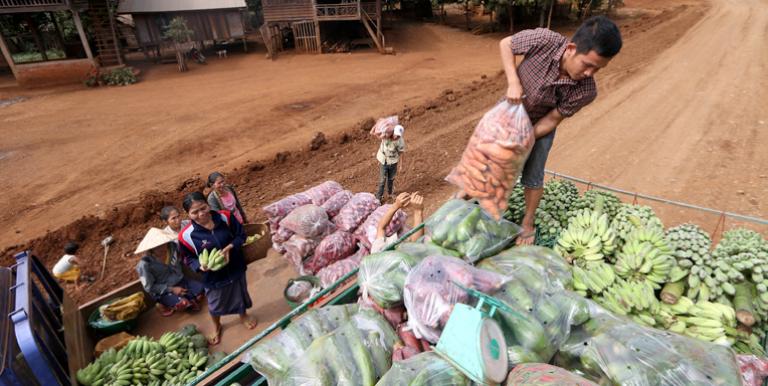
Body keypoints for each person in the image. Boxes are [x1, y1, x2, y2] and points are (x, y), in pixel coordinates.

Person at [499, 16, 622, 245]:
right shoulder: (544, 40)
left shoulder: (586, 91)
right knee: (491, 160)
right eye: (588, 64)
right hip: (512, 109)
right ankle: (466, 201)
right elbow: (506, 44)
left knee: (533, 175)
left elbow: (553, 119)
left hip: (541, 124)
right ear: (571, 49)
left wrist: (527, 138)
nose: (590, 73)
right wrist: (513, 82)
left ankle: (527, 221)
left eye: (598, 69)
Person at [178, 191, 256, 345]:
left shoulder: (225, 217)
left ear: (208, 204)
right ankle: (217, 325)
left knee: (240, 293)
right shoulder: (186, 236)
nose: (201, 214)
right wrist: (199, 265)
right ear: (188, 214)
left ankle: (243, 315)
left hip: (235, 265)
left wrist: (229, 247)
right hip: (212, 276)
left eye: (203, 208)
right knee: (215, 303)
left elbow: (241, 235)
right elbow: (187, 258)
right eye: (195, 212)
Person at [135, 228, 204, 317]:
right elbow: (149, 287)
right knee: (183, 304)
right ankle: (161, 304)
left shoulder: (173, 247)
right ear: (151, 248)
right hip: (163, 290)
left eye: (163, 243)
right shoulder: (144, 264)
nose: (162, 247)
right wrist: (171, 289)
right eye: (157, 246)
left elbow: (185, 258)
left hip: (181, 280)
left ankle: (189, 297)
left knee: (202, 291)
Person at [375, 124, 406, 202]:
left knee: (391, 179)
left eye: (398, 136)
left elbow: (401, 153)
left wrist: (401, 165)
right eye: (396, 135)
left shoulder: (400, 141)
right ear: (393, 132)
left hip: (393, 161)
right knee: (382, 180)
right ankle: (378, 197)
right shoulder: (386, 135)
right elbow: (378, 136)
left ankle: (390, 193)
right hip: (384, 160)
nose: (396, 137)